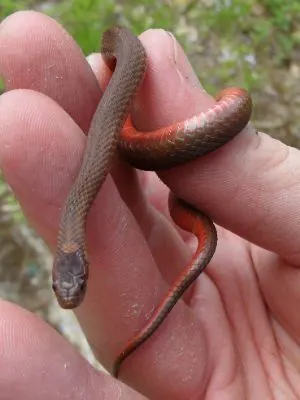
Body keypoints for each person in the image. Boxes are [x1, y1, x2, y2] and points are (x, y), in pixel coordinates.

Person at [0, 10, 298, 400]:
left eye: (68, 284)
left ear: (72, 264)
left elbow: (127, 52)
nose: (70, 293)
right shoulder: (76, 211)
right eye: (67, 286)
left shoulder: (79, 207)